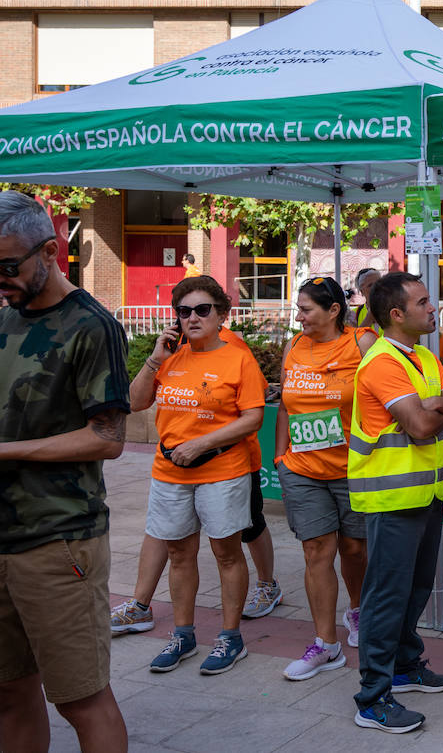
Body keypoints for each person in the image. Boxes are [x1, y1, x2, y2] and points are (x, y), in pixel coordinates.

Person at [0, 191, 130, 753]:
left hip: (58, 542)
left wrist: (6, 452)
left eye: (8, 267)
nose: (0, 280)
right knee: (9, 691)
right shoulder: (5, 318)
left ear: (50, 251)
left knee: (80, 698)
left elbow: (108, 439)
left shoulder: (91, 325)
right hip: (5, 537)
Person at [350, 271, 443, 733]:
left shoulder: (422, 355)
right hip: (392, 498)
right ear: (396, 314)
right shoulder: (381, 362)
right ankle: (373, 698)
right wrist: (436, 406)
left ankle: (404, 666)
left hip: (425, 493)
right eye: (423, 302)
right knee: (386, 597)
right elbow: (421, 427)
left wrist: (433, 405)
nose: (432, 308)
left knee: (416, 590)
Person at [131, 275, 266, 675]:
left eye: (202, 310)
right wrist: (154, 357)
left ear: (221, 315)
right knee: (178, 553)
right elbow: (136, 401)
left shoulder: (238, 357)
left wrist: (202, 444)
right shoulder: (169, 356)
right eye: (184, 311)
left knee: (226, 552)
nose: (192, 318)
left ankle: (230, 637)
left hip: (223, 470)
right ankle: (183, 633)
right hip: (170, 471)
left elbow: (253, 417)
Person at [274, 276, 376, 680]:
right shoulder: (294, 346)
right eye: (298, 308)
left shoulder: (362, 343)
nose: (299, 317)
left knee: (354, 549)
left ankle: (358, 611)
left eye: (306, 309)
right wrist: (280, 457)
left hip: (352, 468)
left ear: (334, 310)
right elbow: (284, 406)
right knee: (317, 550)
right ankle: (325, 643)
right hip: (302, 469)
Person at [353, 268, 382, 332]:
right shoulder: (354, 314)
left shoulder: (393, 310)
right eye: (370, 285)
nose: (377, 287)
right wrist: (368, 319)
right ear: (361, 291)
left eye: (379, 282)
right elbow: (352, 340)